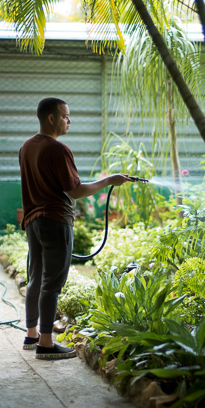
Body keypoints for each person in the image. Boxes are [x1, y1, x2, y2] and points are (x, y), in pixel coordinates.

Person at [19, 97, 132, 360]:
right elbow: (75, 190)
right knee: (52, 283)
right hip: (55, 221)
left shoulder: (26, 147)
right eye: (65, 116)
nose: (69, 120)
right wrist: (109, 180)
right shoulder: (58, 150)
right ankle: (46, 344)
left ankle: (32, 334)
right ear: (51, 118)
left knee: (36, 277)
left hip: (33, 222)